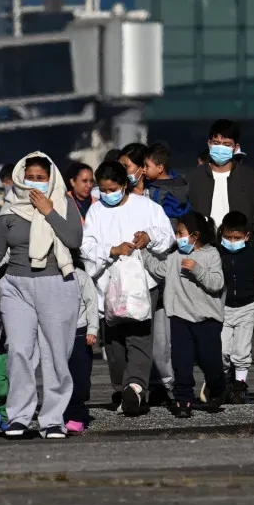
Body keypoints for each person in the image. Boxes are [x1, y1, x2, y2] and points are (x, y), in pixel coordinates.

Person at [0, 153, 83, 439]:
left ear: (52, 180)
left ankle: (52, 419)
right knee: (20, 351)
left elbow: (74, 240)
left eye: (41, 178)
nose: (35, 183)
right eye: (31, 177)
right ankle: (19, 416)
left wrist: (49, 210)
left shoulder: (63, 203)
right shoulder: (11, 207)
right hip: (16, 285)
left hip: (56, 282)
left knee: (55, 355)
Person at [82, 160, 175, 416]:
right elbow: (86, 248)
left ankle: (134, 387)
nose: (107, 194)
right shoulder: (95, 212)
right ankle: (122, 385)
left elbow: (168, 236)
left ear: (124, 185)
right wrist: (112, 250)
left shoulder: (147, 207)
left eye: (112, 188)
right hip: (108, 284)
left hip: (143, 285)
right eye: (103, 189)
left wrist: (149, 237)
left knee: (140, 337)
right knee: (114, 345)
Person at [150, 211, 225, 418]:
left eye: (181, 233)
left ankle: (217, 389)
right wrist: (144, 250)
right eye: (176, 233)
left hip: (207, 320)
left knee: (210, 362)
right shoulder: (174, 257)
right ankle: (183, 400)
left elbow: (216, 284)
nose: (178, 237)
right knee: (181, 362)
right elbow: (157, 269)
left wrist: (198, 269)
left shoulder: (211, 255)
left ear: (195, 235)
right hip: (180, 318)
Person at [187, 120, 254, 254]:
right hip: (203, 251)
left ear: (235, 147)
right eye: (216, 143)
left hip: (241, 251)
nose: (221, 148)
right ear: (209, 144)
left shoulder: (249, 177)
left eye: (227, 144)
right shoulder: (195, 177)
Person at [217, 212, 254, 404]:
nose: (232, 241)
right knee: (222, 350)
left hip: (246, 307)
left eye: (237, 238)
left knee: (242, 350)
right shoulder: (216, 254)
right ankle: (223, 383)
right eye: (228, 238)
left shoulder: (252, 255)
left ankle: (239, 386)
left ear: (247, 236)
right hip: (223, 308)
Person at [64, 262, 99, 434]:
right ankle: (62, 413)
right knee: (60, 376)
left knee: (80, 377)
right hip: (57, 333)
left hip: (79, 332)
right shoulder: (48, 276)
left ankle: (77, 414)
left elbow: (92, 302)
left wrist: (92, 329)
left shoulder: (81, 275)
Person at [141, 142, 192, 222]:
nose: (143, 170)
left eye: (147, 166)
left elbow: (171, 217)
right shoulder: (153, 184)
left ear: (160, 168)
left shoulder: (168, 192)